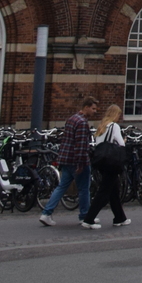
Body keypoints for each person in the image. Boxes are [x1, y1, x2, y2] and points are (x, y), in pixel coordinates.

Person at [39, 96, 97, 226]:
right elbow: (81, 146)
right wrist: (80, 163)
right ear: (86, 107)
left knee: (61, 187)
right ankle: (85, 216)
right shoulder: (82, 122)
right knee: (84, 189)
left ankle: (46, 213)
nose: (95, 111)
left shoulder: (72, 119)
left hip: (66, 159)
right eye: (93, 108)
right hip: (77, 161)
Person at [81, 105, 130, 229]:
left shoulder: (102, 126)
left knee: (114, 190)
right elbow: (120, 143)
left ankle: (120, 218)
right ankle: (89, 219)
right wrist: (124, 142)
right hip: (111, 162)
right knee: (104, 192)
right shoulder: (114, 126)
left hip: (102, 161)